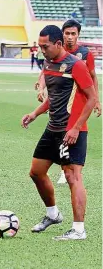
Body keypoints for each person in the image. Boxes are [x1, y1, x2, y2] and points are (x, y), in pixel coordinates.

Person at [21, 25, 96, 240]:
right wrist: (35, 113)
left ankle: (79, 230)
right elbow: (53, 97)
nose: (42, 50)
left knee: (73, 177)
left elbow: (91, 98)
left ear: (58, 44)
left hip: (72, 131)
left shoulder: (76, 66)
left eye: (45, 46)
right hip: (52, 128)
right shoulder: (48, 63)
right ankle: (53, 214)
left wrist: (75, 128)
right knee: (36, 172)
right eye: (40, 46)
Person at [36, 19, 101, 184]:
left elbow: (92, 78)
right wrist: (41, 87)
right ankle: (65, 169)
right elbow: (46, 72)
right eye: (67, 33)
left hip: (80, 102)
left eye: (73, 34)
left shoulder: (85, 55)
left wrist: (97, 101)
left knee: (71, 132)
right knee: (60, 130)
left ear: (78, 35)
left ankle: (68, 169)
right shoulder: (54, 53)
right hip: (61, 106)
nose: (70, 37)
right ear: (62, 35)